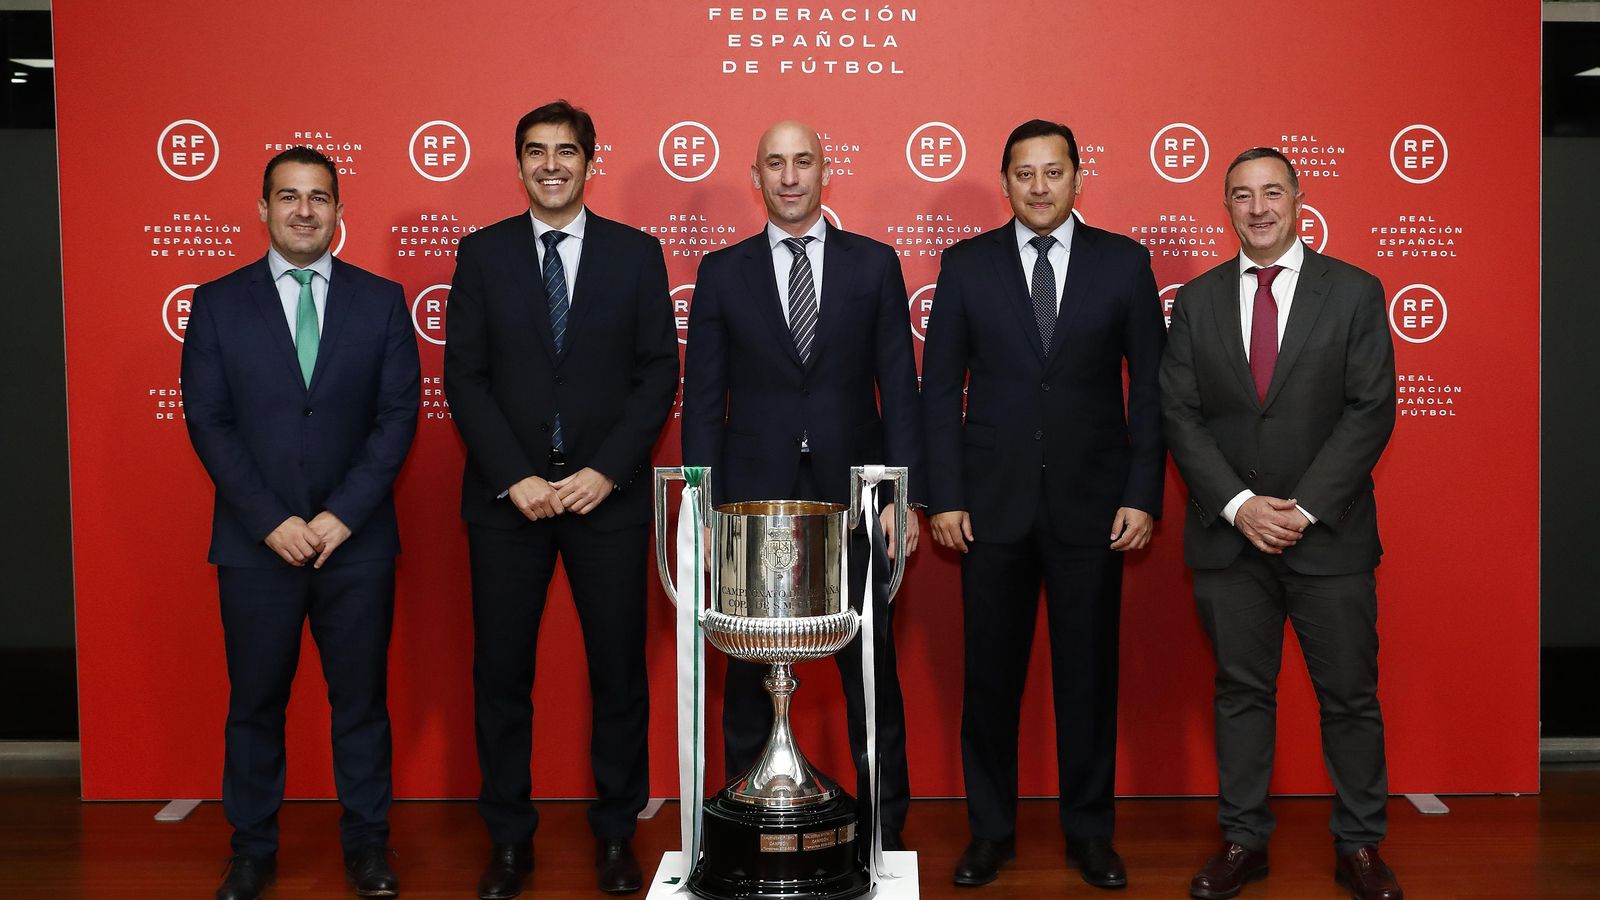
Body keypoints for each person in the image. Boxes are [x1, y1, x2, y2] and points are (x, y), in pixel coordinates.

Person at [920, 118, 1166, 890]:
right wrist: (945, 495)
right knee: (989, 682)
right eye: (1023, 174)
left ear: (1077, 178)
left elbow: (1151, 393)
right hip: (988, 511)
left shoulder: (1124, 263)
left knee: (1087, 679)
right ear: (1004, 183)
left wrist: (1141, 493)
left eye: (1052, 172)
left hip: (1094, 509)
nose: (1037, 186)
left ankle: (1090, 832)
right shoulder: (965, 266)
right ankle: (990, 832)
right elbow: (939, 391)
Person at [443, 100, 678, 899]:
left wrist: (606, 471)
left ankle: (617, 835)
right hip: (507, 503)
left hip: (604, 502)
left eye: (567, 151)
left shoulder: (636, 255)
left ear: (589, 161)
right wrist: (516, 477)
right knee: (501, 677)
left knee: (619, 677)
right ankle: (509, 841)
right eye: (537, 152)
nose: (552, 164)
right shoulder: (480, 256)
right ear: (519, 165)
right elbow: (463, 379)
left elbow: (657, 376)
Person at [1161, 147, 1401, 900]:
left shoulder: (1356, 292)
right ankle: (1243, 841)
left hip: (1328, 535)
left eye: (1272, 193)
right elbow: (1181, 414)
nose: (1258, 208)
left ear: (1299, 199)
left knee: (1350, 697)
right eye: (1241, 195)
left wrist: (1299, 509)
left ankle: (1360, 846)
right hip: (1231, 540)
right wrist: (1240, 507)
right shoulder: (1196, 302)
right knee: (1240, 691)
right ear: (1225, 207)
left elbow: (1371, 411)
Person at [182, 146, 420, 900]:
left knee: (360, 705)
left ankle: (367, 847)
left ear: (339, 212)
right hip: (258, 548)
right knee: (254, 705)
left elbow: (396, 418)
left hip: (356, 546)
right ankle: (252, 850)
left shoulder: (381, 300)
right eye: (288, 197)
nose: (304, 211)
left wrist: (342, 516)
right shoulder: (218, 302)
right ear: (263, 209)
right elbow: (209, 422)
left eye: (319, 197)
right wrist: (271, 521)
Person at [680, 120, 924, 850]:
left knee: (870, 676)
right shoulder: (722, 272)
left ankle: (885, 830)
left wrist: (901, 499)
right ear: (756, 176)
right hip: (753, 507)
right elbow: (703, 401)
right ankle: (740, 826)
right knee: (748, 682)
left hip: (853, 502)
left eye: (804, 162)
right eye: (775, 164)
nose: (790, 177)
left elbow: (899, 393)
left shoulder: (874, 264)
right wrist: (704, 507)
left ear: (826, 170)